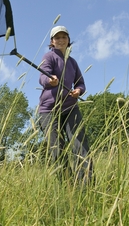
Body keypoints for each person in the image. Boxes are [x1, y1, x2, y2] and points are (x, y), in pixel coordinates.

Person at [38, 25, 93, 184]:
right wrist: (50, 80)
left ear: (68, 41)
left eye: (64, 37)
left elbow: (81, 83)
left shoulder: (73, 62)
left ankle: (86, 186)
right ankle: (68, 187)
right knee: (57, 149)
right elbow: (42, 76)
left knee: (80, 145)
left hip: (70, 108)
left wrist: (78, 91)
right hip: (48, 110)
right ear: (52, 41)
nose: (61, 40)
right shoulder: (48, 57)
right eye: (57, 37)